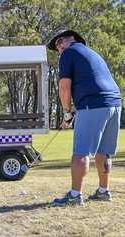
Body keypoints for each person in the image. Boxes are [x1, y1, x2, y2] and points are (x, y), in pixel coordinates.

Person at [47, 30, 122, 206]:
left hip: (93, 104)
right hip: (114, 103)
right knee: (103, 151)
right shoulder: (92, 53)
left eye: (58, 45)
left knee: (81, 151)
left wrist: (67, 113)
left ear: (66, 41)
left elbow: (64, 87)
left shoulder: (68, 53)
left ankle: (74, 195)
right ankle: (104, 191)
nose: (58, 49)